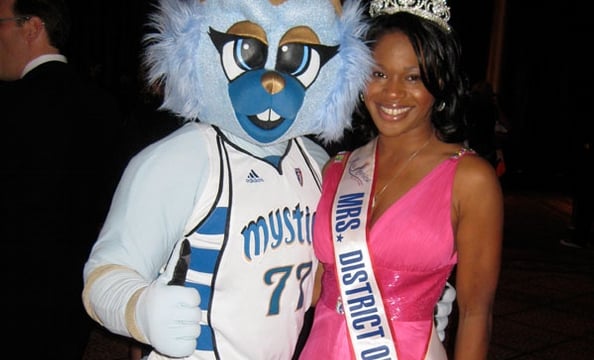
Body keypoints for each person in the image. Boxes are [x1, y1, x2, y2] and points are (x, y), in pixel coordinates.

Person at [299, 1, 504, 359]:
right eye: (379, 74)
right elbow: (311, 288)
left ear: (439, 81)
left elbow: (475, 314)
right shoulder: (337, 168)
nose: (392, 93)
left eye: (412, 77)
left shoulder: (470, 179)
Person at [0, 0, 124, 357]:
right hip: (74, 296)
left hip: (13, 297)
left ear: (33, 26)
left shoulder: (11, 105)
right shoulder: (104, 105)